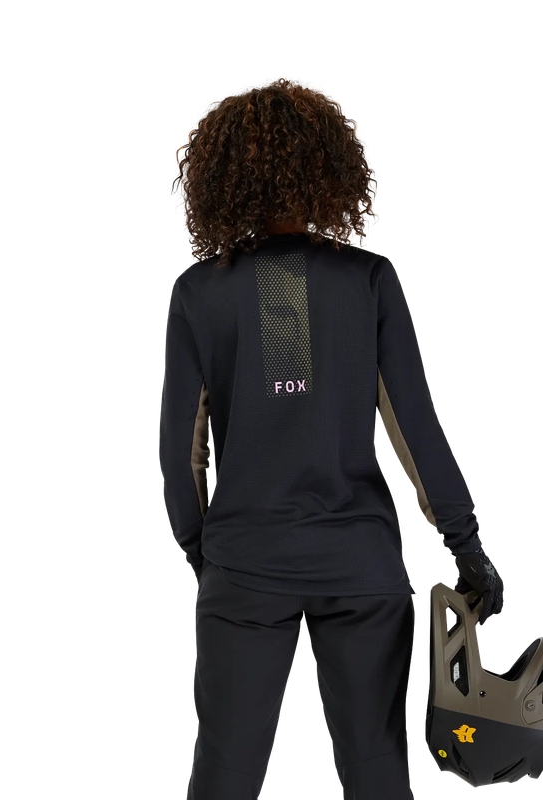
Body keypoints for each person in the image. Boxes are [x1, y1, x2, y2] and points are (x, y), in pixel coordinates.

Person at [158, 78, 505, 800]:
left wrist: (207, 555)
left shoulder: (199, 293)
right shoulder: (368, 281)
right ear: (329, 167)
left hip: (245, 564)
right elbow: (416, 429)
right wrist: (467, 548)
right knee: (377, 776)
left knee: (223, 777)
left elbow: (180, 455)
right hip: (360, 564)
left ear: (222, 177)